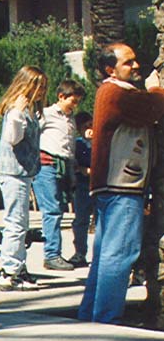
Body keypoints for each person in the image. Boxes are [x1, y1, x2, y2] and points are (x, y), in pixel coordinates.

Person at [78, 43, 164, 324]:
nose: (136, 66)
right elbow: (154, 107)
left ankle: (91, 316)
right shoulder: (116, 92)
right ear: (109, 69)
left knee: (105, 256)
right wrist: (157, 88)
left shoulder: (113, 92)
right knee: (120, 255)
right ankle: (106, 320)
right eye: (129, 62)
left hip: (112, 188)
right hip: (121, 188)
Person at [0, 65, 48, 292]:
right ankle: (10, 272)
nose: (42, 91)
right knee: (15, 223)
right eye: (38, 86)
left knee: (20, 222)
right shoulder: (17, 110)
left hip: (22, 172)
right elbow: (13, 139)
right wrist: (18, 116)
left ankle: (16, 267)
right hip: (13, 172)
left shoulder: (28, 109)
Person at [34, 79, 84, 271]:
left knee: (60, 208)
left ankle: (54, 253)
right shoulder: (46, 114)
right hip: (47, 165)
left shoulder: (70, 118)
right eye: (73, 101)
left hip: (65, 165)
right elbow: (31, 136)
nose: (75, 105)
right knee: (52, 210)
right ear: (61, 96)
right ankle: (52, 255)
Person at [69, 111, 94, 267]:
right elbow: (74, 162)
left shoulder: (101, 142)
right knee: (81, 220)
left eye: (92, 125)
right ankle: (80, 252)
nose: (90, 129)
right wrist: (81, 169)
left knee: (102, 220)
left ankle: (101, 254)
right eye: (86, 126)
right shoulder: (77, 144)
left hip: (98, 184)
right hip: (83, 185)